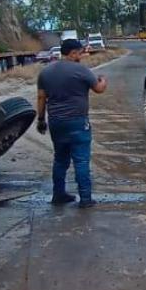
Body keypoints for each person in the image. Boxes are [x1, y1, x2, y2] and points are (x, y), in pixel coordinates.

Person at [36, 38, 108, 208]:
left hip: (56, 122)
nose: (82, 56)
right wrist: (103, 80)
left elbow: (41, 97)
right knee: (81, 161)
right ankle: (85, 199)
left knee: (60, 159)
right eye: (80, 52)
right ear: (73, 53)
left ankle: (58, 194)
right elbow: (98, 89)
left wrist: (41, 119)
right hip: (77, 122)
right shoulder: (81, 71)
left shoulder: (45, 72)